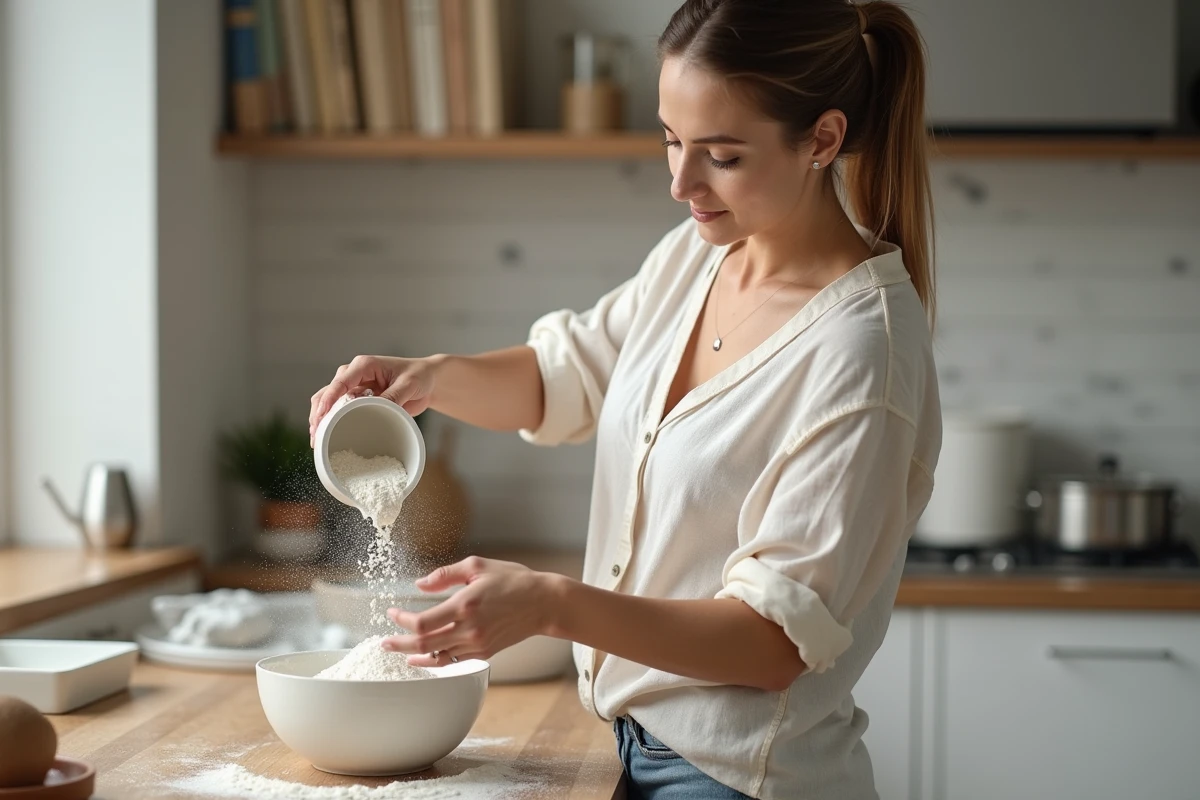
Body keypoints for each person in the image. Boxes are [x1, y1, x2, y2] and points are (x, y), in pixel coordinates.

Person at [308, 0, 941, 796]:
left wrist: (551, 605)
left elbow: (773, 643)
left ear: (822, 139)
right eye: (672, 140)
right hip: (632, 750)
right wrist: (428, 377)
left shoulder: (862, 355)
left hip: (740, 777)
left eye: (722, 155)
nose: (681, 182)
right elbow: (564, 378)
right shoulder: (698, 257)